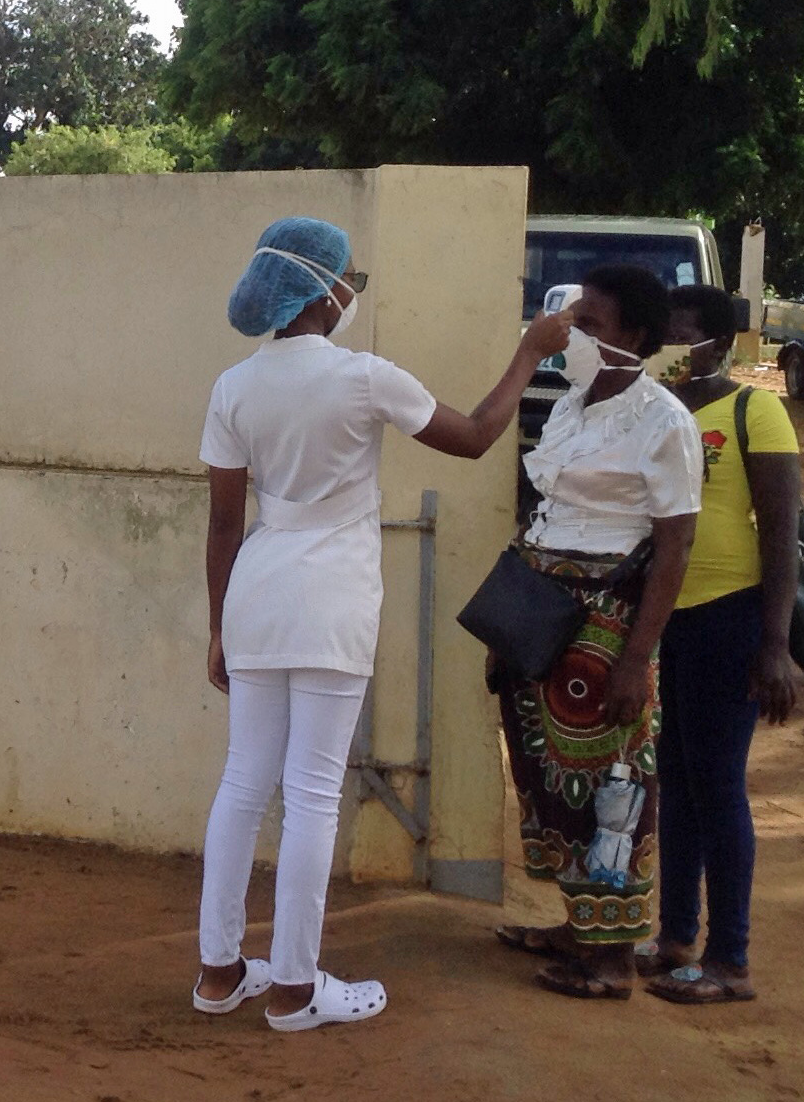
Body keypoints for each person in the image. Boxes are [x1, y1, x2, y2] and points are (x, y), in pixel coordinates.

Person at [194, 217, 571, 1031]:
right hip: (330, 599)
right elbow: (473, 438)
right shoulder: (364, 378)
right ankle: (296, 987)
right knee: (313, 791)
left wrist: (218, 628)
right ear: (322, 291)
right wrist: (530, 353)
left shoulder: (234, 386)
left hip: (256, 593)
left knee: (243, 781)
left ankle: (221, 971)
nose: (349, 295)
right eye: (349, 283)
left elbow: (225, 524)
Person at [491, 263, 702, 1000]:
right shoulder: (572, 407)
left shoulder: (664, 422)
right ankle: (579, 924)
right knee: (550, 778)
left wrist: (636, 657)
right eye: (574, 322)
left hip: (607, 624)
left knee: (610, 783)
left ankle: (611, 956)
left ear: (635, 338)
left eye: (591, 326)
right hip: (544, 614)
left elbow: (675, 544)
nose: (572, 336)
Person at [641, 285, 804, 1004]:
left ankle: (729, 958)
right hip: (667, 618)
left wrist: (774, 642)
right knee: (673, 781)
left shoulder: (754, 411)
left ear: (711, 339)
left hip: (728, 616)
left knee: (716, 786)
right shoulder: (656, 410)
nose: (667, 343)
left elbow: (780, 528)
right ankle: (676, 935)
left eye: (676, 330)